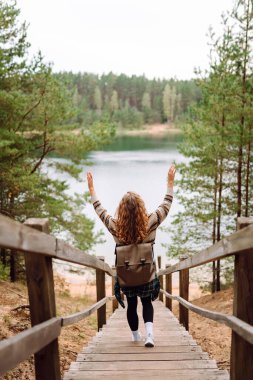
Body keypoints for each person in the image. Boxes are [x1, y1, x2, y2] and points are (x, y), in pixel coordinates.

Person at [86, 165, 176, 347]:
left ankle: (136, 336)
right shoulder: (150, 223)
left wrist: (92, 191)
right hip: (146, 274)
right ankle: (149, 335)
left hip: (126, 276)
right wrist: (170, 183)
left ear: (122, 211)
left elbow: (100, 212)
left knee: (132, 305)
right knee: (147, 303)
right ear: (141, 208)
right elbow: (166, 205)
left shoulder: (116, 228)